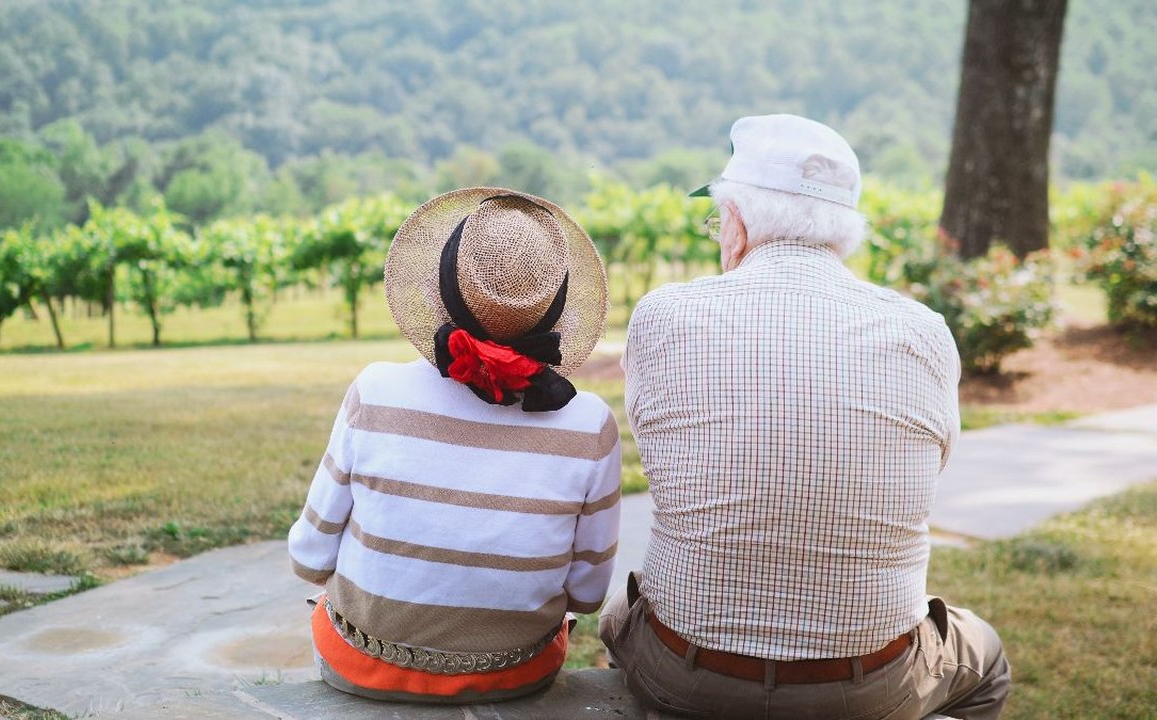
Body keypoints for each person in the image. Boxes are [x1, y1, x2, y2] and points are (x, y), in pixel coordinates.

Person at [600, 114, 1011, 719]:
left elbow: (662, 452)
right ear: (846, 231)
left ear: (735, 222)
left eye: (718, 220)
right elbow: (933, 462)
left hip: (688, 673)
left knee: (618, 618)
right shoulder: (924, 332)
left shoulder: (665, 315)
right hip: (871, 683)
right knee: (987, 659)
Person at [288, 188, 622, 703]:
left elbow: (309, 557)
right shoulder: (589, 423)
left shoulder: (375, 391)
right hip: (516, 673)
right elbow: (588, 595)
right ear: (553, 308)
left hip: (362, 664)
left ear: (442, 287)